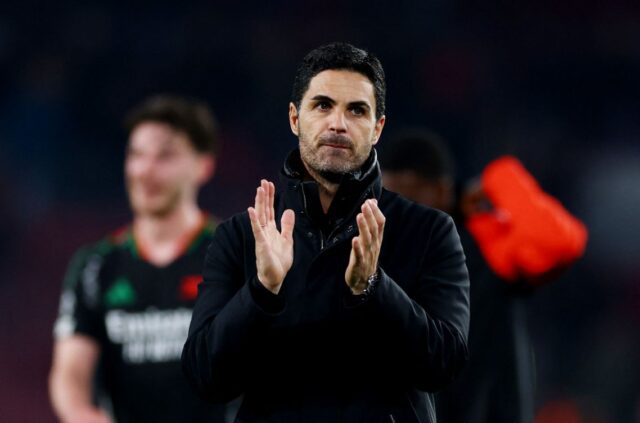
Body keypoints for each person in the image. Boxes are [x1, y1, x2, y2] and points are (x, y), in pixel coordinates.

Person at [181, 42, 470, 423]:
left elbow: (445, 365)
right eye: (322, 105)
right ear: (294, 118)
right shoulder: (242, 236)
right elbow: (205, 377)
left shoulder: (429, 230)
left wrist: (374, 289)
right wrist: (261, 291)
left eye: (357, 110)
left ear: (378, 128)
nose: (338, 123)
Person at [379, 129, 588, 423]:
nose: (399, 209)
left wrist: (499, 179)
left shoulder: (483, 244)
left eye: (411, 194)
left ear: (442, 192)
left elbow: (560, 242)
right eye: (389, 196)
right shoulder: (372, 260)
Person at [49, 95, 227, 423]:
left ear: (204, 165)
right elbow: (69, 374)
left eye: (165, 156)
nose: (145, 170)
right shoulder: (96, 266)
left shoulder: (233, 254)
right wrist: (83, 415)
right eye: (137, 155)